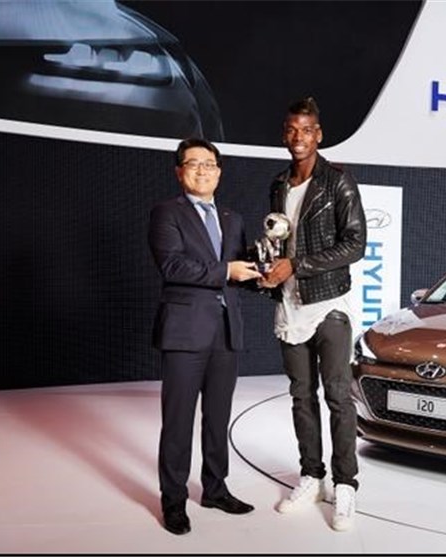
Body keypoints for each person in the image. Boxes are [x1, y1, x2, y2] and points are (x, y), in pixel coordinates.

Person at [260, 97, 367, 532]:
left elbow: (355, 244)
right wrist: (268, 267)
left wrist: (296, 265)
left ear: (318, 135)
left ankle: (345, 485)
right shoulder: (278, 184)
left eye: (306, 130)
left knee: (338, 395)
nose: (298, 137)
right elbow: (280, 241)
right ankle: (311, 476)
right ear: (283, 134)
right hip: (290, 304)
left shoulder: (338, 180)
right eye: (291, 129)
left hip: (328, 305)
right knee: (301, 395)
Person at [148, 138, 263, 535]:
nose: (203, 170)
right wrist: (228, 271)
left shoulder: (232, 217)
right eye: (193, 163)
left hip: (226, 331)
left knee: (218, 419)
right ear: (179, 171)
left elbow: (238, 272)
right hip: (184, 331)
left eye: (209, 164)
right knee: (177, 422)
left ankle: (215, 489)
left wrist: (262, 275)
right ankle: (173, 500)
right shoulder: (167, 213)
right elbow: (172, 266)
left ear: (219, 171)